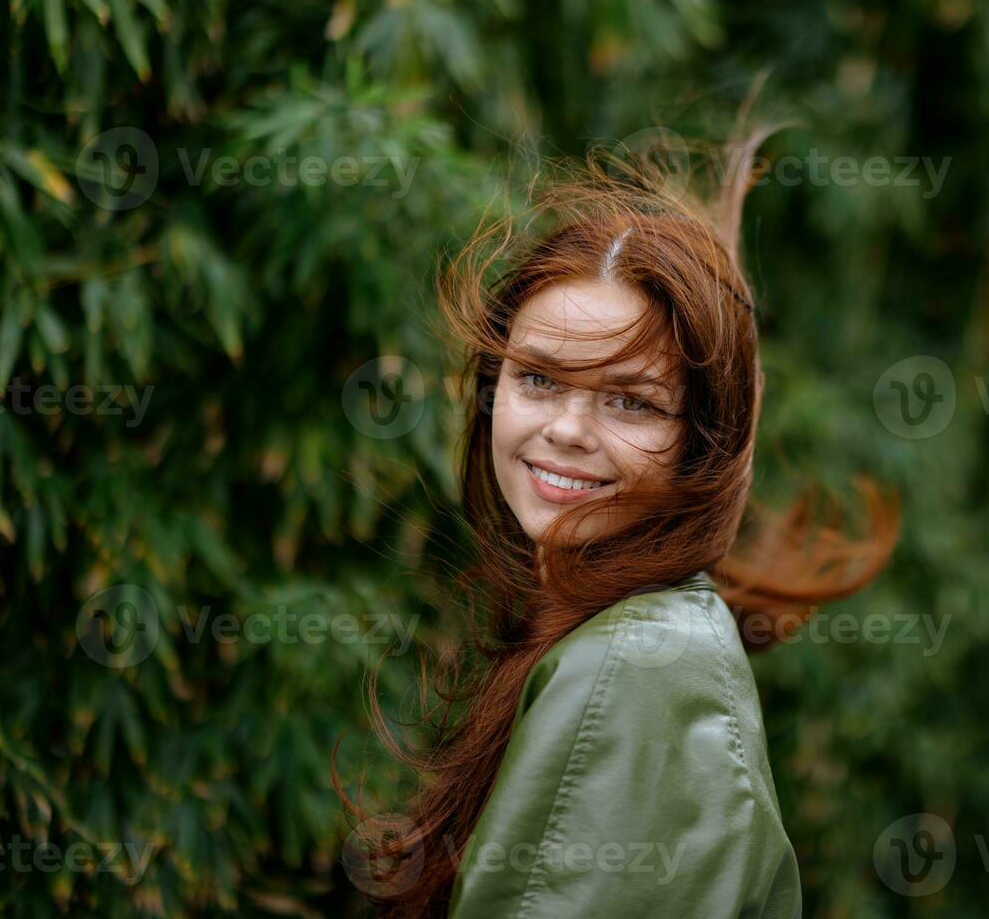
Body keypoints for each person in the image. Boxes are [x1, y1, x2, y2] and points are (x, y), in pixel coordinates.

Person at [355, 110, 900, 917]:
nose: (567, 432)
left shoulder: (639, 665)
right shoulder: (621, 637)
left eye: (629, 402)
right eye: (538, 379)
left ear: (699, 442)